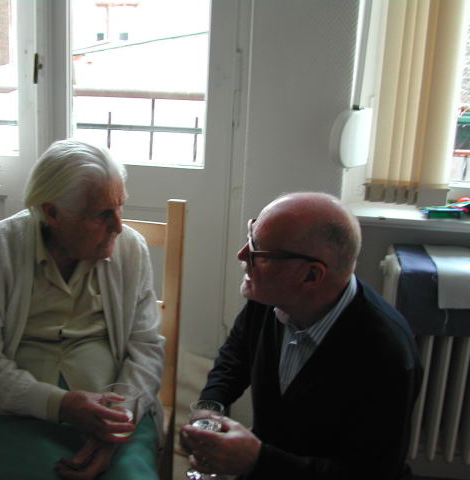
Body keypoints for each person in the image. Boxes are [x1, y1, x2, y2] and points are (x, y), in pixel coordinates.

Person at [180, 192, 422, 480]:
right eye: (250, 236)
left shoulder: (387, 355)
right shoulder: (269, 296)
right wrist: (210, 406)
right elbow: (236, 355)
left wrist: (256, 460)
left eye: (258, 251)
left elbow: (369, 473)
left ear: (310, 276)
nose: (242, 255)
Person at [0, 139, 165, 480]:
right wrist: (61, 405)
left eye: (120, 207)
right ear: (52, 213)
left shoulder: (131, 248)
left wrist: (116, 423)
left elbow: (146, 348)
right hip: (22, 415)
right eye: (102, 214)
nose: (118, 225)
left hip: (116, 410)